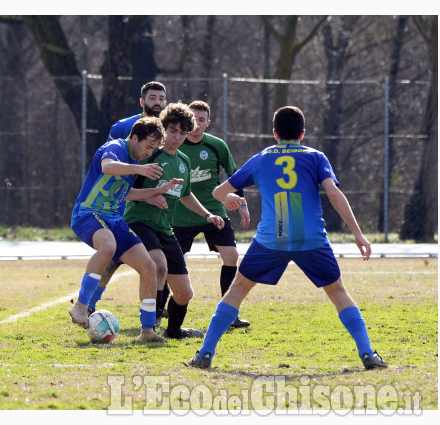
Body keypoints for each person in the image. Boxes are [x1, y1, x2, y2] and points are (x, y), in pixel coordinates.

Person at [188, 106, 387, 370]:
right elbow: (335, 195)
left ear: (274, 134)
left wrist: (229, 197)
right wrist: (358, 234)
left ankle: (204, 354)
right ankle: (368, 354)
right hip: (311, 239)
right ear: (302, 134)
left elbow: (217, 192)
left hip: (273, 239)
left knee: (238, 289)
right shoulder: (316, 157)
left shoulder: (262, 158)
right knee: (338, 292)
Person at [123, 102, 241, 339]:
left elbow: (186, 194)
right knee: (158, 264)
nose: (177, 137)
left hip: (165, 229)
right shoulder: (149, 155)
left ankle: (174, 331)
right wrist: (149, 197)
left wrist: (208, 214)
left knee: (185, 293)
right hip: (140, 221)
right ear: (163, 128)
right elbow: (125, 192)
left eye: (183, 133)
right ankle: (151, 322)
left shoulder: (184, 161)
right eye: (173, 130)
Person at [69, 116, 181, 343]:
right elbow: (108, 167)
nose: (150, 152)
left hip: (114, 219)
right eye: (148, 146)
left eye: (154, 148)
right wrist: (139, 170)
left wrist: (155, 192)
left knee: (148, 266)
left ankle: (147, 330)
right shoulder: (115, 148)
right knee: (108, 246)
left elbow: (126, 193)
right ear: (134, 137)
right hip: (89, 213)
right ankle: (81, 306)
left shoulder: (135, 162)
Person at [87, 81, 168, 315]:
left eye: (162, 98)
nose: (158, 103)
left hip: (154, 202)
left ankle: (156, 313)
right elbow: (108, 164)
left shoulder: (168, 130)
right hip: (124, 204)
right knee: (113, 259)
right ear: (142, 102)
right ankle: (91, 303)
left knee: (159, 263)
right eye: (153, 98)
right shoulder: (122, 128)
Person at [170, 100, 251, 329]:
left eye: (201, 120)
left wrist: (243, 205)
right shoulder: (176, 145)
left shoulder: (217, 145)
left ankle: (229, 313)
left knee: (232, 256)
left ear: (208, 123)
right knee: (167, 263)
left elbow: (235, 176)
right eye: (193, 119)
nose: (197, 124)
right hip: (181, 215)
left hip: (214, 211)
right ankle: (162, 310)